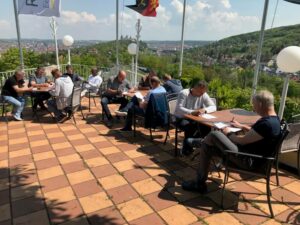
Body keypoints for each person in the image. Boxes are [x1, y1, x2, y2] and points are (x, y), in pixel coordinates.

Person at [182, 90, 281, 193]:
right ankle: (199, 183)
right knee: (207, 148)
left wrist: (228, 133)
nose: (253, 107)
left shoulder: (267, 124)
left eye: (254, 104)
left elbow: (241, 141)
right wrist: (241, 126)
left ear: (260, 104)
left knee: (214, 134)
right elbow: (258, 133)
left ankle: (199, 142)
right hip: (253, 157)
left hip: (248, 161)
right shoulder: (274, 120)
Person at [174, 81, 216, 156]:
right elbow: (179, 108)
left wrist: (205, 110)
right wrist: (192, 112)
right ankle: (186, 148)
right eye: (200, 92)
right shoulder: (184, 93)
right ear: (194, 88)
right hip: (181, 117)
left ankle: (202, 145)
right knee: (190, 126)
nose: (202, 94)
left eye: (203, 92)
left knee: (206, 127)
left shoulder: (203, 94)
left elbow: (213, 106)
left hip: (195, 118)